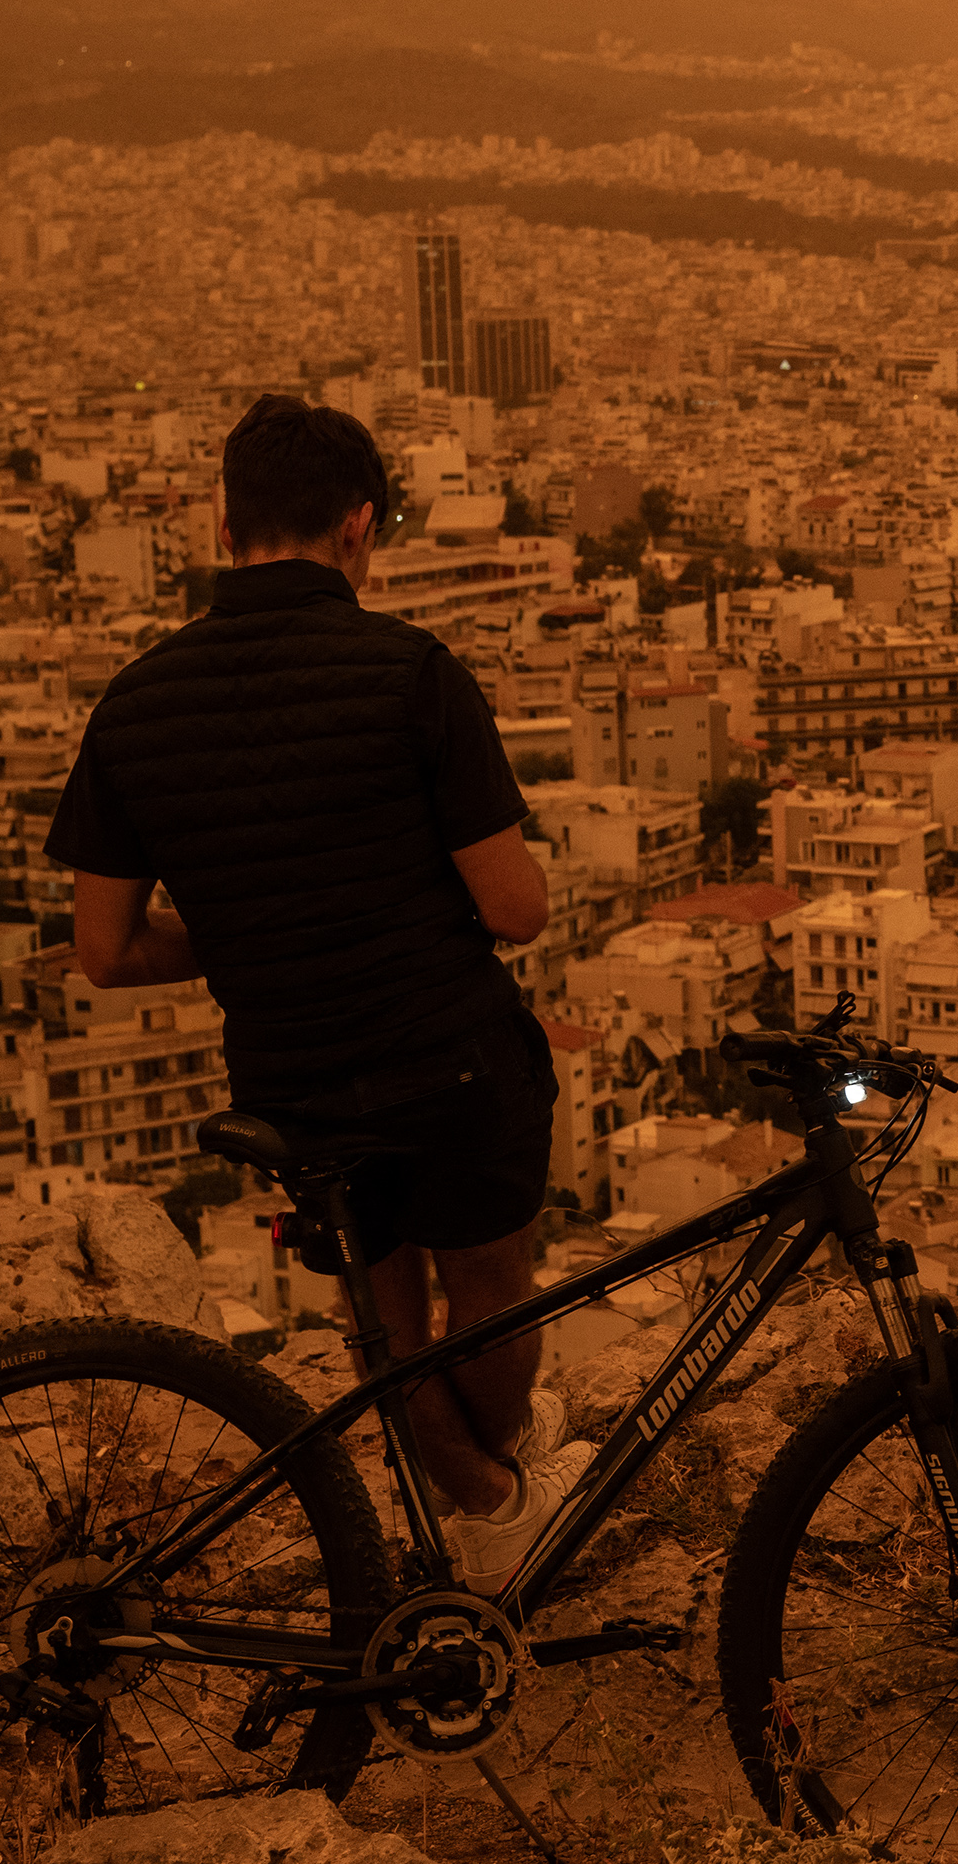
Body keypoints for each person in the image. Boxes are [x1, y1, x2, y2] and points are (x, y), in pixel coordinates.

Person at [48, 395, 585, 1575]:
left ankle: (482, 1500)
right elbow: (516, 909)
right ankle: (495, 1503)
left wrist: (256, 923)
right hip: (447, 1051)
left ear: (224, 528)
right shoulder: (411, 673)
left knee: (380, 1323)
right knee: (490, 1293)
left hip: (291, 1071)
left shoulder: (135, 703)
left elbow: (105, 952)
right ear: (358, 525)